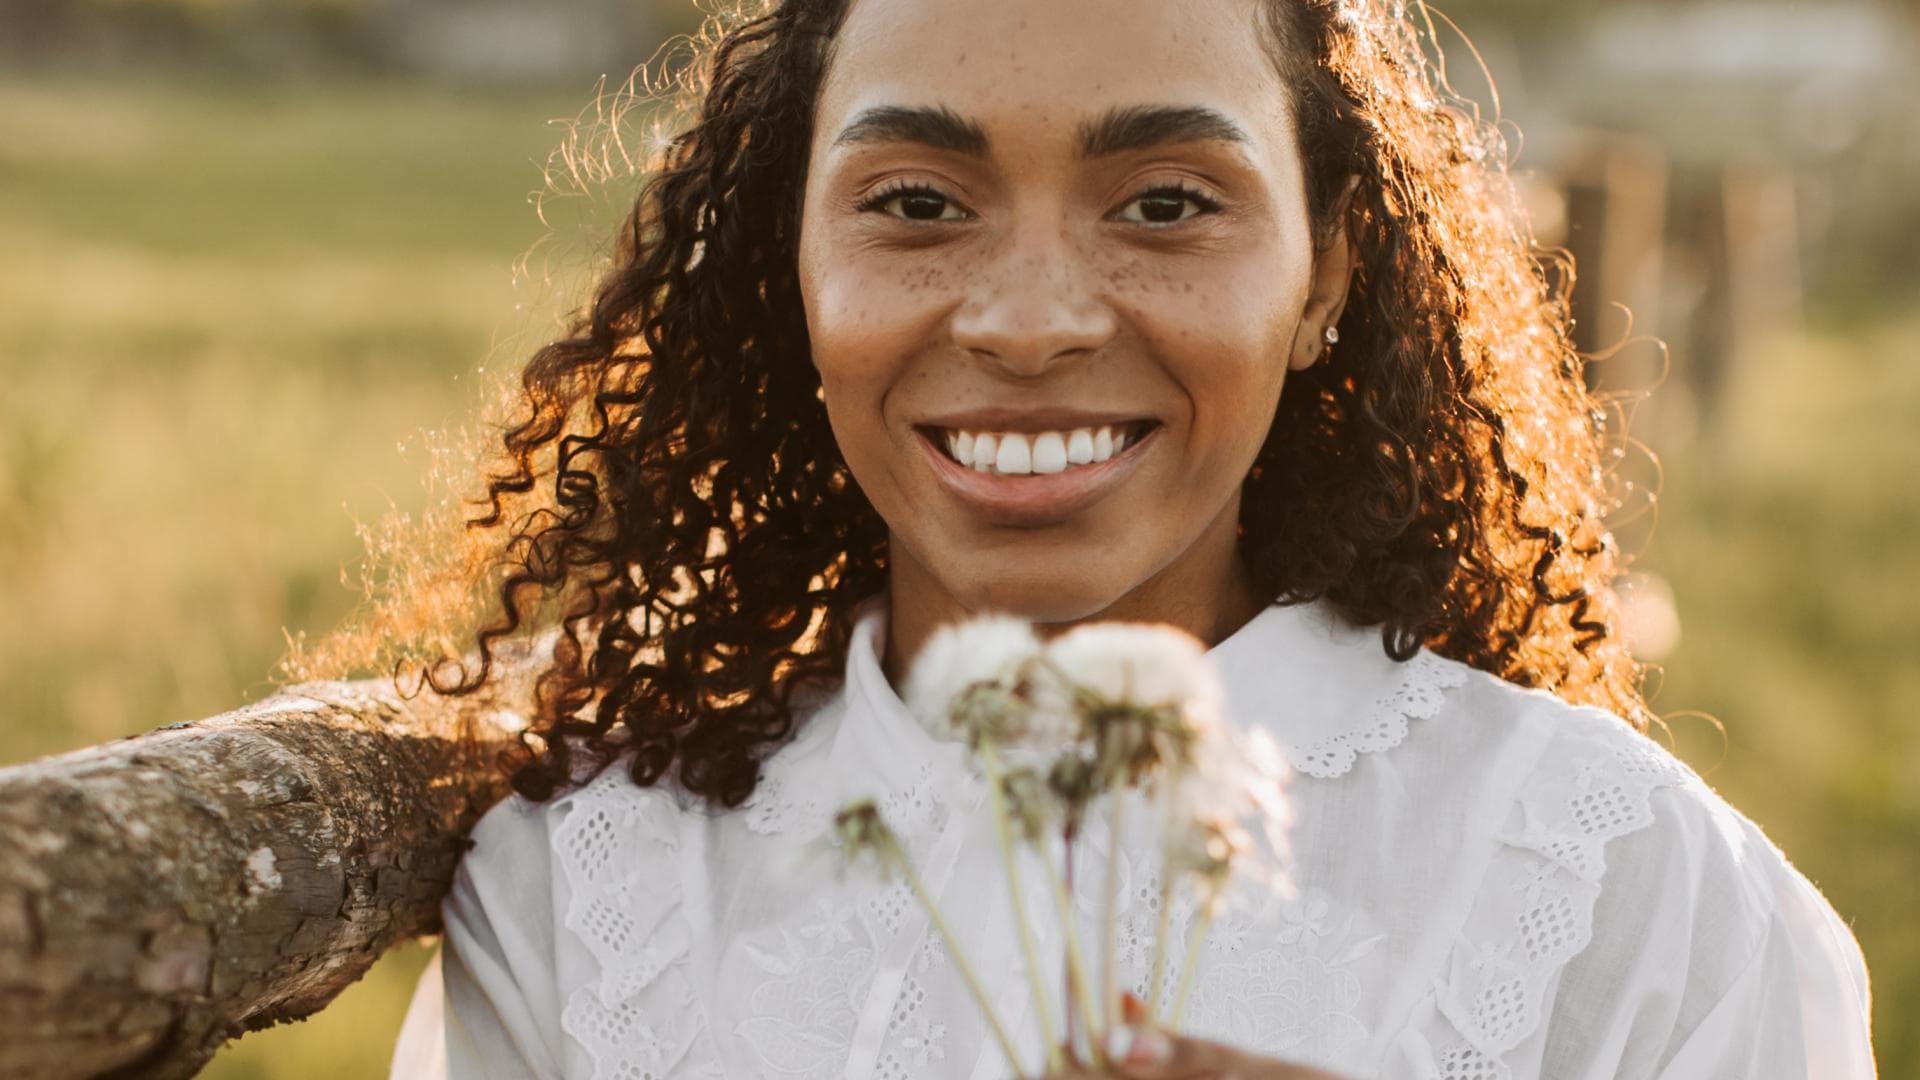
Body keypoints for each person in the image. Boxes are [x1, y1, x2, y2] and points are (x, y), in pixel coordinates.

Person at [385, 0, 1877, 1076]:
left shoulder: (1642, 907)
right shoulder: (586, 892)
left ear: (1323, 272)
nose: (1031, 323)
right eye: (915, 203)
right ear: (793, 264)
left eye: (1167, 203)